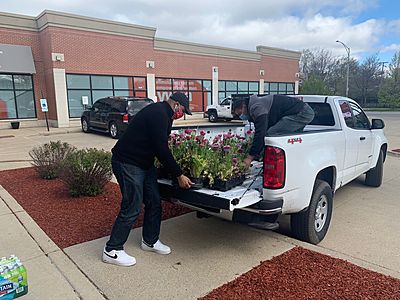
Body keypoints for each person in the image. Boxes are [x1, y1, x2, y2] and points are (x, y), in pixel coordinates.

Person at [103, 92, 193, 267]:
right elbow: (162, 149)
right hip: (127, 162)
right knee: (132, 206)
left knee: (154, 201)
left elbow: (159, 145)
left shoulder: (164, 114)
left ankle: (150, 241)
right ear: (176, 105)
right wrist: (178, 174)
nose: (182, 114)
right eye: (183, 110)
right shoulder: (159, 114)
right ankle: (112, 250)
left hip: (143, 163)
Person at [233, 94, 314, 168]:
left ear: (243, 106)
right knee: (288, 142)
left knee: (271, 135)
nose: (241, 116)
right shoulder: (256, 105)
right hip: (300, 111)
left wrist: (250, 157)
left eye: (240, 113)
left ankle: (272, 166)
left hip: (302, 112)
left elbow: (261, 132)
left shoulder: (257, 107)